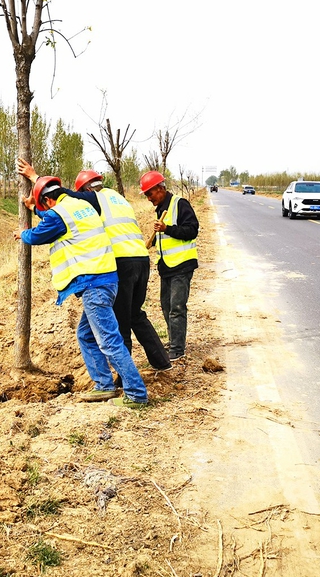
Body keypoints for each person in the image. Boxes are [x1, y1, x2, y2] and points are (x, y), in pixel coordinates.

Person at [18, 159, 172, 372]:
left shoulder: (94, 198)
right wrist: (37, 210)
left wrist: (35, 178)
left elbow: (63, 200)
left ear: (86, 190)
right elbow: (63, 214)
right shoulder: (117, 198)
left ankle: (124, 379)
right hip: (141, 259)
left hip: (121, 263)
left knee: (119, 321)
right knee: (135, 313)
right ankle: (162, 362)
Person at [15, 174, 149, 408]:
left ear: (47, 201)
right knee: (86, 335)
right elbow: (53, 217)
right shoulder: (81, 206)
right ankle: (104, 386)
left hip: (93, 285)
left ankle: (137, 394)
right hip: (107, 281)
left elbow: (38, 234)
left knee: (109, 341)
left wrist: (22, 234)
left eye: (42, 206)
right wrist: (36, 210)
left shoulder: (59, 215)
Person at [139, 170, 199, 362]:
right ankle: (174, 341)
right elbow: (165, 239)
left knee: (176, 308)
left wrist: (168, 229)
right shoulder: (160, 208)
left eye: (150, 193)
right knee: (166, 307)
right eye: (146, 195)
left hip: (181, 265)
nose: (148, 198)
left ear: (160, 189)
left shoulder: (180, 204)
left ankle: (177, 348)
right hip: (166, 267)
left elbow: (192, 230)